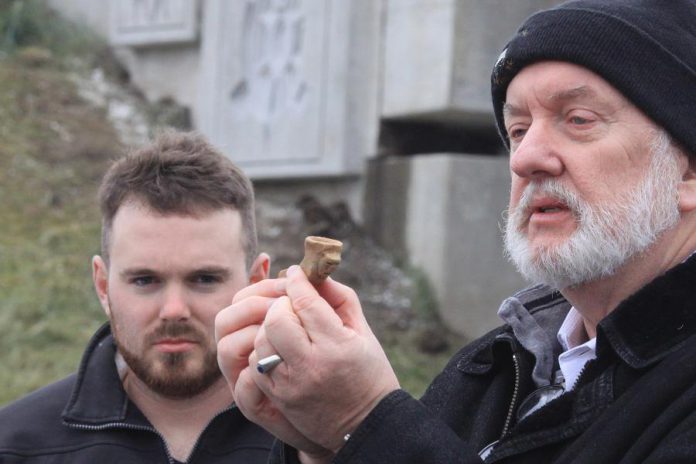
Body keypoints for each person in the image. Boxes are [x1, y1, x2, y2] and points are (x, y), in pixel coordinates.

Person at [215, 0, 696, 462]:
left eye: (578, 120)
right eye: (519, 130)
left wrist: (363, 420)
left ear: (688, 172)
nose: (526, 158)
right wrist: (324, 445)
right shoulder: (495, 366)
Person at [0, 132, 274, 463]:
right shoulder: (15, 447)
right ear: (103, 286)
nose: (174, 310)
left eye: (204, 279)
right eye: (145, 280)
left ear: (256, 282)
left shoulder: (316, 438)